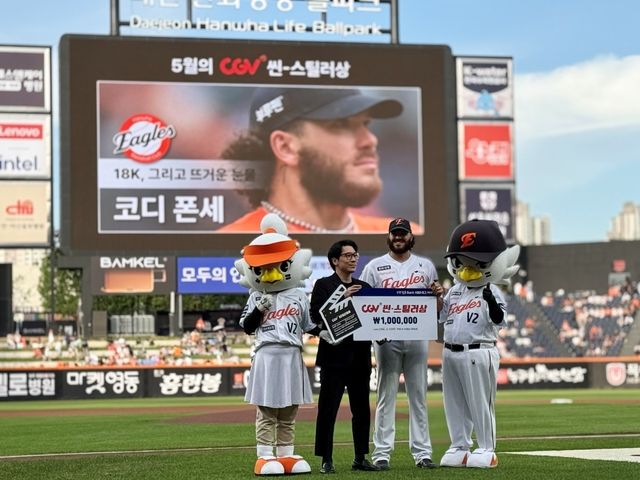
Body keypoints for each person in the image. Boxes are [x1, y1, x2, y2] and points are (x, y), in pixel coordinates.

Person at [218, 87, 421, 234]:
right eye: (340, 125)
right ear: (285, 147)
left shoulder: (404, 237)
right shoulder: (234, 244)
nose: (370, 140)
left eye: (365, 123)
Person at [236, 213, 320, 476]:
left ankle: (285, 454)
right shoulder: (256, 296)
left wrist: (332, 330)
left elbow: (309, 325)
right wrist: (258, 310)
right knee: (267, 409)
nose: (271, 274)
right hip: (267, 353)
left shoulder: (298, 295)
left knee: (289, 408)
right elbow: (247, 327)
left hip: (292, 353)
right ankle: (264, 455)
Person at [360, 217, 443, 470]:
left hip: (417, 339)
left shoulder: (425, 266)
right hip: (387, 340)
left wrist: (439, 297)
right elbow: (363, 304)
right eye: (395, 233)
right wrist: (374, 331)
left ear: (410, 237)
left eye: (403, 233)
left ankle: (423, 453)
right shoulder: (374, 267)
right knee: (386, 397)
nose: (398, 237)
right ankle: (381, 454)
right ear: (388, 237)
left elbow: (436, 309)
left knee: (418, 397)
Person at [438, 219, 519, 468]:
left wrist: (491, 301)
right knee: (454, 403)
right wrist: (436, 297)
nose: (467, 268)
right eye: (461, 261)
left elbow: (499, 319)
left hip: (478, 351)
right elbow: (441, 315)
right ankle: (459, 446)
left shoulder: (492, 290)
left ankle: (486, 448)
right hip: (450, 351)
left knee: (480, 402)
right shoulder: (455, 291)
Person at [310, 239, 379, 474]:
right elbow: (316, 317)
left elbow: (373, 318)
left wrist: (383, 331)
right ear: (335, 260)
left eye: (355, 255)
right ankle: (326, 459)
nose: (353, 259)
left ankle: (360, 457)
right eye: (348, 255)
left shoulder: (364, 286)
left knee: (361, 410)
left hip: (360, 357)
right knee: (328, 410)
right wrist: (342, 298)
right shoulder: (323, 285)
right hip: (333, 358)